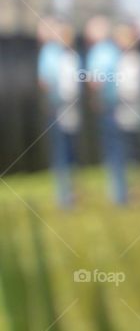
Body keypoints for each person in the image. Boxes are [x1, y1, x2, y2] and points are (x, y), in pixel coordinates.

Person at [37, 17, 81, 208]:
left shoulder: (66, 55)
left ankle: (70, 193)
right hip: (58, 110)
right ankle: (64, 196)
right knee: (62, 153)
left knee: (68, 152)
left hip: (67, 110)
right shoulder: (51, 52)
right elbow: (44, 82)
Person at [84, 15, 127, 206]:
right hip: (120, 106)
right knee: (119, 148)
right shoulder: (114, 50)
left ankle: (118, 195)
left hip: (108, 108)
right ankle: (120, 192)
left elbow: (96, 81)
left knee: (112, 150)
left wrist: (93, 97)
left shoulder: (98, 52)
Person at [114, 20, 140, 200]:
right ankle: (133, 190)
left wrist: (115, 92)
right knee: (129, 156)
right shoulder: (123, 59)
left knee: (137, 157)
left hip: (134, 116)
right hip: (124, 117)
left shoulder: (134, 60)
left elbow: (132, 90)